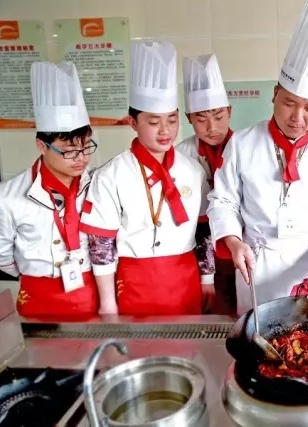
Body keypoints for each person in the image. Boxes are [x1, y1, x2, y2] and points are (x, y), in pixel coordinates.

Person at [207, 0, 308, 315]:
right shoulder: (242, 144)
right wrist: (233, 241)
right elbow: (223, 201)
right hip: (257, 266)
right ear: (275, 94)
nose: (298, 118)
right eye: (290, 103)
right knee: (260, 337)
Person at [80, 41, 210, 315]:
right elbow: (101, 243)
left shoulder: (193, 170)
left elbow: (203, 229)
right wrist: (107, 303)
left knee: (187, 341)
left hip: (184, 279)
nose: (165, 131)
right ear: (132, 122)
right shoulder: (111, 174)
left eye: (172, 120)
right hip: (134, 281)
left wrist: (207, 279)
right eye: (153, 122)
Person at [0, 61, 99, 317]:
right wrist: (37, 270)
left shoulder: (99, 185)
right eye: (69, 151)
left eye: (86, 146)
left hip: (92, 292)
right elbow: (1, 255)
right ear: (41, 145)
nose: (81, 158)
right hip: (38, 296)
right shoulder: (7, 197)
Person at [177, 53, 235, 314]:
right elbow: (195, 223)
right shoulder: (181, 156)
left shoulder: (246, 148)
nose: (212, 127)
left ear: (229, 111)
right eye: (201, 119)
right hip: (199, 261)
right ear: (189, 117)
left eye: (219, 117)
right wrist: (206, 277)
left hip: (242, 254)